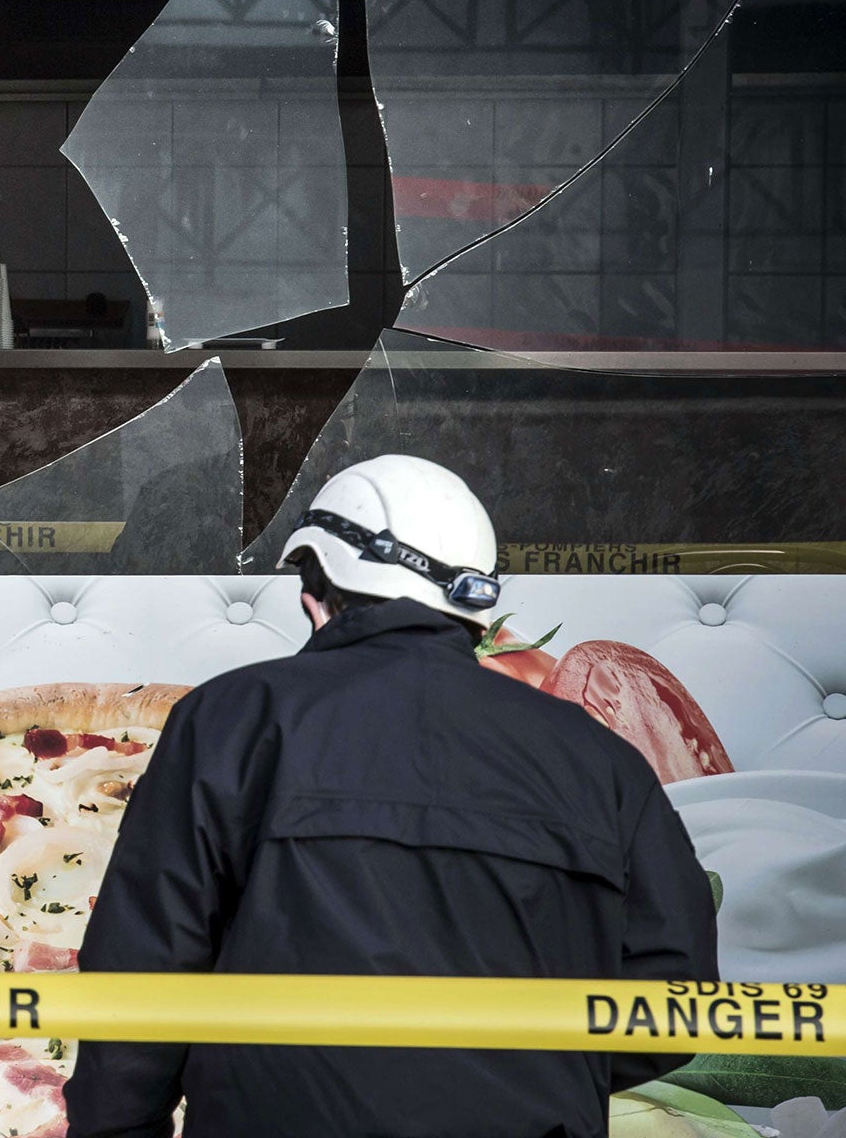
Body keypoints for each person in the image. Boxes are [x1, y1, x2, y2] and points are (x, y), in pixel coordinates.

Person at [67, 453, 718, 1138]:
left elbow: (144, 970)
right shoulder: (598, 756)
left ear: (314, 594)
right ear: (474, 609)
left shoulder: (233, 718)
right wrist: (526, 1071)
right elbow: (674, 1001)